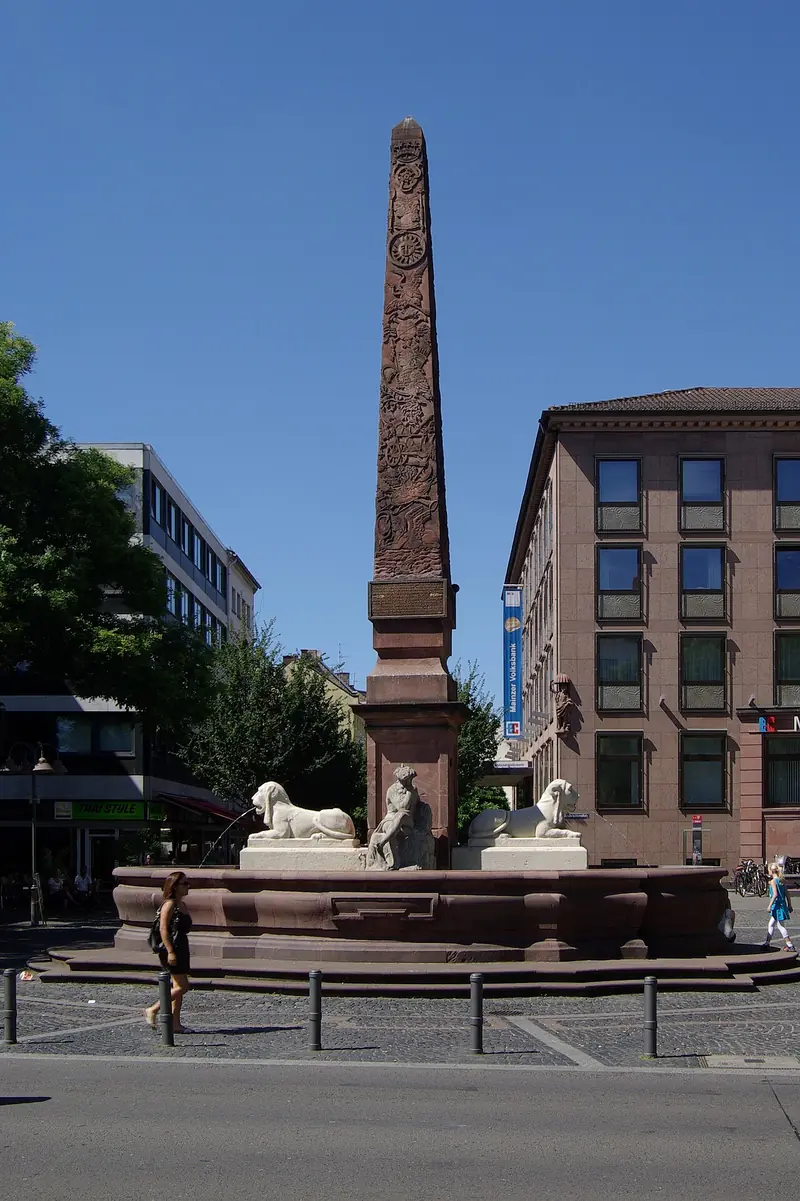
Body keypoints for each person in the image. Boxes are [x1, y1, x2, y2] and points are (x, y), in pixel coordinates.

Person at [144, 871, 192, 1033]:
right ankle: (153, 1009)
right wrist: (170, 951)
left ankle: (175, 1024)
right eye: (184, 883)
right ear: (175, 886)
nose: (188, 886)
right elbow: (164, 929)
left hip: (181, 947)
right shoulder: (169, 904)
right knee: (183, 986)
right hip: (171, 949)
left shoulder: (182, 905)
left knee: (178, 986)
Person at [763, 862, 795, 951]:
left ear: (771, 871)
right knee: (771, 924)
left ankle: (789, 944)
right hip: (782, 905)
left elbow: (775, 894)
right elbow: (787, 894)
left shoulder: (773, 882)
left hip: (777, 906)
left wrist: (769, 905)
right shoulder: (781, 880)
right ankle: (767, 943)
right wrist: (789, 905)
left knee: (780, 926)